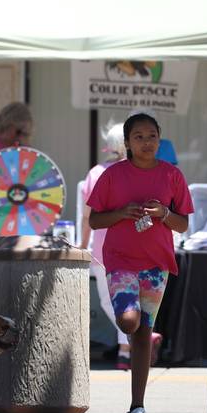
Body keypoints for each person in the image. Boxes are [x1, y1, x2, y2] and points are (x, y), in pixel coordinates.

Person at [87, 112, 193, 413]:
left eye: (152, 136)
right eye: (139, 137)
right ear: (128, 143)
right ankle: (131, 333)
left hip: (156, 264)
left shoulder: (171, 175)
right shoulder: (112, 175)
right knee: (130, 321)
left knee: (144, 332)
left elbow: (183, 223)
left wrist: (163, 213)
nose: (146, 143)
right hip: (120, 260)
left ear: (159, 140)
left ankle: (137, 407)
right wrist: (120, 213)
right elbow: (95, 220)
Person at [80, 121, 131, 369]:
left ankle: (131, 342)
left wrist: (82, 244)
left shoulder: (96, 174)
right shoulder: (139, 172)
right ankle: (127, 347)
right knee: (130, 299)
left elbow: (87, 216)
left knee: (108, 301)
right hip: (136, 247)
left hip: (103, 248)